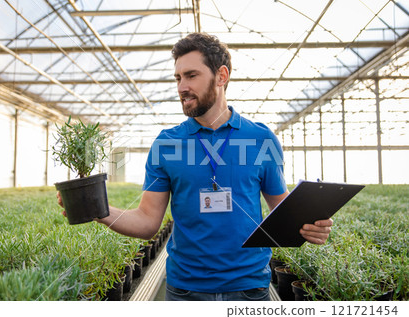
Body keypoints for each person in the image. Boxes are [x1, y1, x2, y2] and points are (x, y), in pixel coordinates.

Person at [57, 32, 333, 301]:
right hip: (185, 290)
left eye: (191, 75)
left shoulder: (260, 138)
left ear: (221, 76)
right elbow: (147, 222)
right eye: (178, 77)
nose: (181, 87)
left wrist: (311, 224)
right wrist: (98, 209)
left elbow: (282, 210)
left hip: (250, 289)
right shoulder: (167, 144)